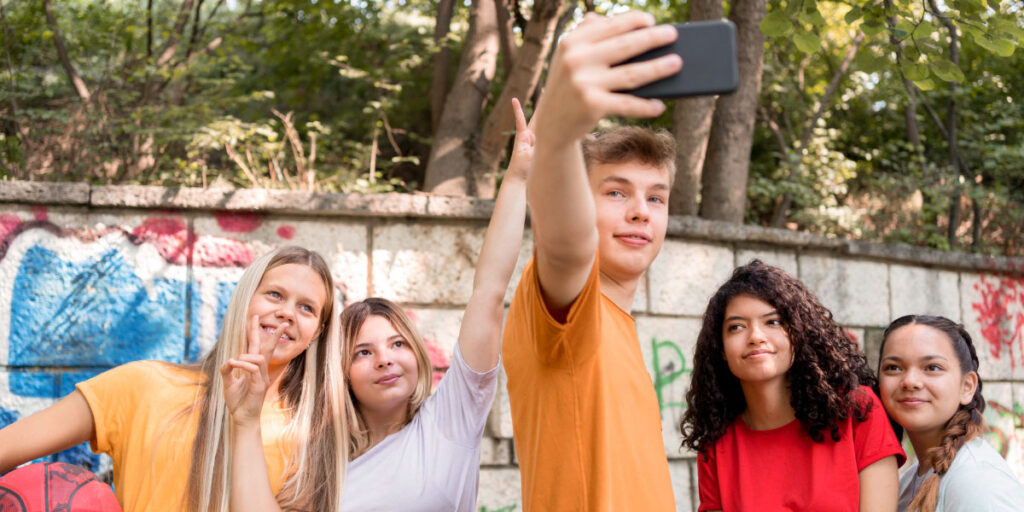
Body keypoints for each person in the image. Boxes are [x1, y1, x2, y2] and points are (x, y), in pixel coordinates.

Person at [227, 98, 533, 511]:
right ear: (343, 375)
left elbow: (490, 290)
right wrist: (244, 421)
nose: (385, 360)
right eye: (363, 352)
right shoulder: (319, 470)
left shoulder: (449, 421)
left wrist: (515, 179)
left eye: (398, 344)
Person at [0, 245, 349, 512]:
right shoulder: (143, 386)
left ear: (316, 332)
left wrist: (245, 421)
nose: (287, 312)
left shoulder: (314, 435)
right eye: (275, 294)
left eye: (306, 308)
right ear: (245, 300)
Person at [501, 11, 682, 511]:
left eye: (656, 198)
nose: (639, 212)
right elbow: (566, 241)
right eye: (616, 192)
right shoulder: (568, 304)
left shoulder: (620, 326)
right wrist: (559, 137)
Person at [680, 261, 904, 512]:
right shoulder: (716, 441)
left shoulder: (856, 409)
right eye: (737, 327)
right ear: (721, 349)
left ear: (798, 333)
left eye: (773, 322)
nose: (756, 336)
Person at [877, 314, 1024, 511]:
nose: (910, 381)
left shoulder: (977, 481)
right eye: (893, 367)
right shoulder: (907, 483)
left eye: (932, 367)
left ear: (967, 386)